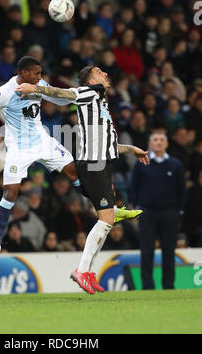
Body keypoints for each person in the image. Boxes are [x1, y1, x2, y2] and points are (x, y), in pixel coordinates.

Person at [16, 65, 149, 294]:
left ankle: (88, 270)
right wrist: (34, 87)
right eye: (99, 72)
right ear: (89, 80)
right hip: (93, 166)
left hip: (103, 164)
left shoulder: (100, 103)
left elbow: (108, 145)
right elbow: (65, 93)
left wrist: (132, 149)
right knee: (106, 220)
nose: (106, 73)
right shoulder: (87, 93)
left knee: (106, 221)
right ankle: (82, 270)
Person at [0, 56, 79, 274]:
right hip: (18, 149)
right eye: (36, 73)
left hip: (43, 142)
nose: (40, 77)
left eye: (41, 73)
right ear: (24, 73)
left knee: (75, 173)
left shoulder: (39, 85)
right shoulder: (5, 92)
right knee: (10, 194)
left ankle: (107, 208)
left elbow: (59, 100)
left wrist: (78, 96)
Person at [131, 133, 186, 289]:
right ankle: (147, 286)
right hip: (147, 213)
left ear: (166, 144)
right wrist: (137, 207)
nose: (158, 142)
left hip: (169, 214)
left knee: (169, 251)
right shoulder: (141, 163)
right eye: (155, 139)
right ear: (149, 143)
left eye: (162, 140)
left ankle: (169, 285)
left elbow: (182, 190)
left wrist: (179, 211)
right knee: (146, 251)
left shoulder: (176, 165)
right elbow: (134, 187)